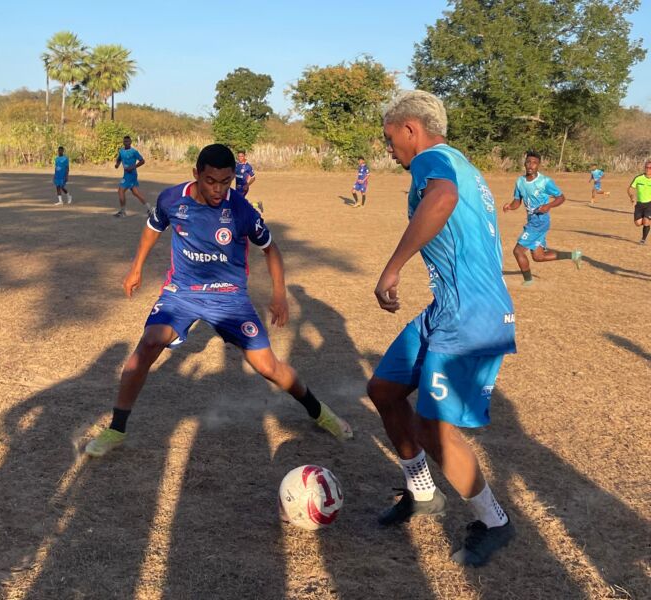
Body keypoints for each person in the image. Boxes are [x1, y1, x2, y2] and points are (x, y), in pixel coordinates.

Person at [85, 144, 352, 457]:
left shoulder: (240, 210)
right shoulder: (172, 199)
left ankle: (320, 412)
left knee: (267, 366)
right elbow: (152, 228)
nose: (218, 189)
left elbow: (271, 249)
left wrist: (279, 294)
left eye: (226, 181)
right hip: (182, 293)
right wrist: (136, 268)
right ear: (196, 174)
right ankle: (116, 429)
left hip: (229, 297)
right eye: (211, 180)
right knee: (148, 344)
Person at [368, 90, 517, 567]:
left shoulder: (433, 161)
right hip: (445, 308)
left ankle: (494, 521)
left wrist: (393, 267)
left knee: (435, 427)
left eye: (391, 139)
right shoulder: (457, 161)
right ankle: (422, 491)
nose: (390, 150)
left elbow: (444, 198)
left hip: (471, 315)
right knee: (385, 389)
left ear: (410, 129)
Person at [502, 151, 582, 286]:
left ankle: (528, 281)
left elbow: (561, 198)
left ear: (539, 165)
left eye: (534, 163)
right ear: (524, 163)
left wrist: (548, 206)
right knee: (538, 256)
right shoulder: (520, 181)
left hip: (540, 221)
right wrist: (510, 206)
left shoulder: (545, 182)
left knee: (518, 251)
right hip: (532, 220)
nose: (530, 165)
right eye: (528, 162)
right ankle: (574, 255)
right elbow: (517, 202)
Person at [114, 135, 151, 218]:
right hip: (126, 174)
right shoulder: (121, 151)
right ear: (123, 142)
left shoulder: (134, 152)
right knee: (136, 193)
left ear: (130, 142)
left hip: (131, 174)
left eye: (128, 141)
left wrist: (133, 167)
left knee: (121, 191)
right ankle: (150, 209)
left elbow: (142, 161)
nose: (126, 143)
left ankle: (123, 212)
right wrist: (117, 164)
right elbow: (119, 158)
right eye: (125, 141)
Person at [627, 159, 651, 245]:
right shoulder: (638, 178)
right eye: (646, 167)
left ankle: (643, 239)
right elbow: (629, 189)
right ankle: (647, 220)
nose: (648, 169)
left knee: (646, 221)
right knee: (638, 223)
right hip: (639, 204)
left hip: (649, 204)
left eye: (650, 168)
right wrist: (632, 196)